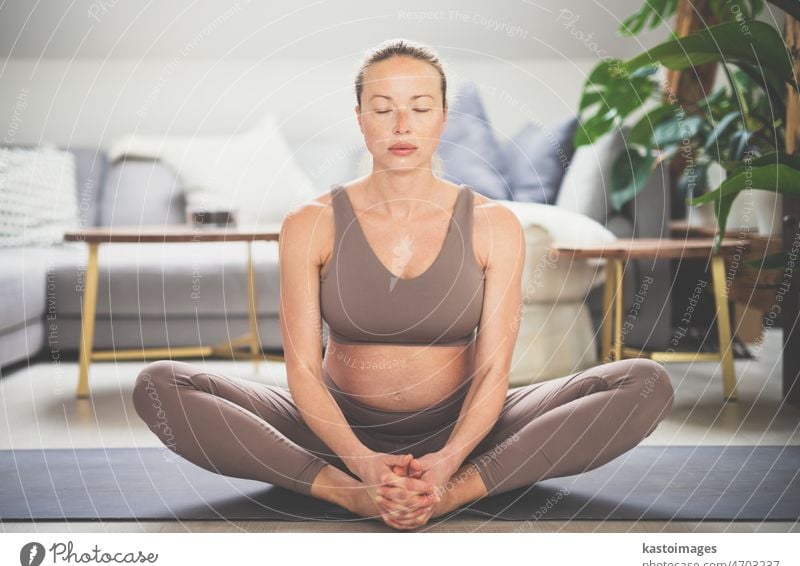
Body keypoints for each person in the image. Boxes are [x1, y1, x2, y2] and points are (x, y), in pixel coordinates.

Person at [132, 38, 674, 531]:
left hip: (470, 427)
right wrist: (361, 463)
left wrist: (452, 458)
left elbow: (491, 371)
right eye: (383, 109)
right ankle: (353, 496)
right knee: (159, 385)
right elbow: (300, 369)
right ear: (360, 119)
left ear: (442, 117)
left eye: (419, 109)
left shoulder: (493, 224)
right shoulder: (309, 223)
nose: (401, 127)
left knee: (645, 382)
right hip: (331, 428)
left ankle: (452, 493)